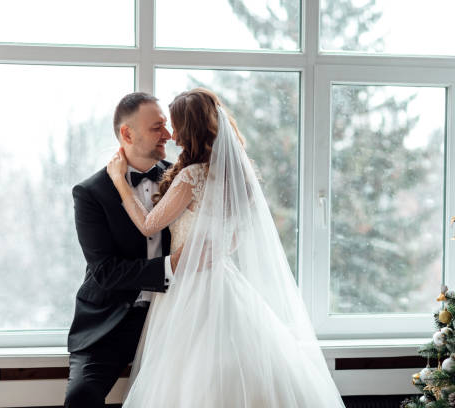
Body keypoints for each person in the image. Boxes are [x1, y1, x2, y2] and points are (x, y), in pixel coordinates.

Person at [107, 88, 345, 407]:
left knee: (191, 376)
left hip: (190, 287)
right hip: (225, 281)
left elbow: (150, 225)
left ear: (189, 128)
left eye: (175, 124)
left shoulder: (193, 175)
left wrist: (120, 180)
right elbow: (235, 237)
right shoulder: (234, 175)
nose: (171, 133)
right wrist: (211, 249)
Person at [64, 92, 182, 408]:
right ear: (127, 134)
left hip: (172, 317)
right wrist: (169, 267)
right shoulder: (91, 193)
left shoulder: (182, 179)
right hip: (109, 321)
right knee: (80, 397)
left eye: (166, 127)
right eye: (157, 128)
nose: (168, 135)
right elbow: (105, 272)